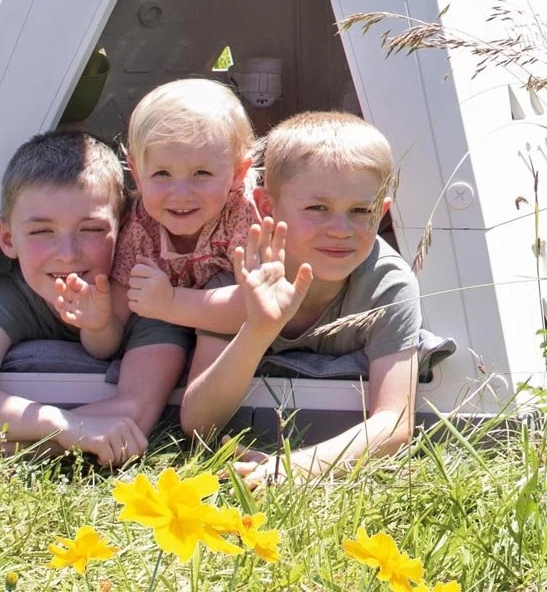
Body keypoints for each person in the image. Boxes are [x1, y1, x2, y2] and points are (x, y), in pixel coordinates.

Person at [0, 130, 191, 467]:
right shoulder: (17, 295)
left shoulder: (151, 297)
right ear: (8, 239)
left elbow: (134, 415)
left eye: (91, 229)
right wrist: (64, 426)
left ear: (123, 231)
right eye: (42, 231)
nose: (67, 254)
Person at [179, 111, 421, 488]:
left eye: (361, 211)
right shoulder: (242, 274)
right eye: (317, 208)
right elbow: (198, 422)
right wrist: (257, 329)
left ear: (383, 212)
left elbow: (395, 422)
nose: (340, 230)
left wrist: (293, 468)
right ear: (267, 206)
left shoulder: (386, 284)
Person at [57, 78, 256, 346]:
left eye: (201, 173)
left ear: (238, 172)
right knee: (150, 340)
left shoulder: (244, 214)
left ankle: (202, 376)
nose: (181, 193)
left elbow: (256, 310)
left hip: (230, 335)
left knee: (222, 290)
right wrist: (98, 326)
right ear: (138, 175)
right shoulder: (139, 228)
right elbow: (109, 341)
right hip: (163, 327)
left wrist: (170, 303)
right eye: (162, 173)